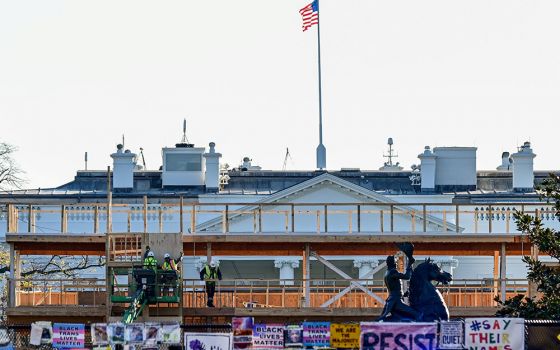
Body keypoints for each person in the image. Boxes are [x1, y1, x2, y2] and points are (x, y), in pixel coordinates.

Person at [378, 255, 421, 321]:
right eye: (395, 262)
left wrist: (404, 295)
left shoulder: (387, 273)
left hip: (394, 299)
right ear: (393, 263)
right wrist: (409, 264)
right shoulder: (392, 272)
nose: (396, 264)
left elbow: (394, 290)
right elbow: (407, 276)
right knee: (416, 314)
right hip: (396, 301)